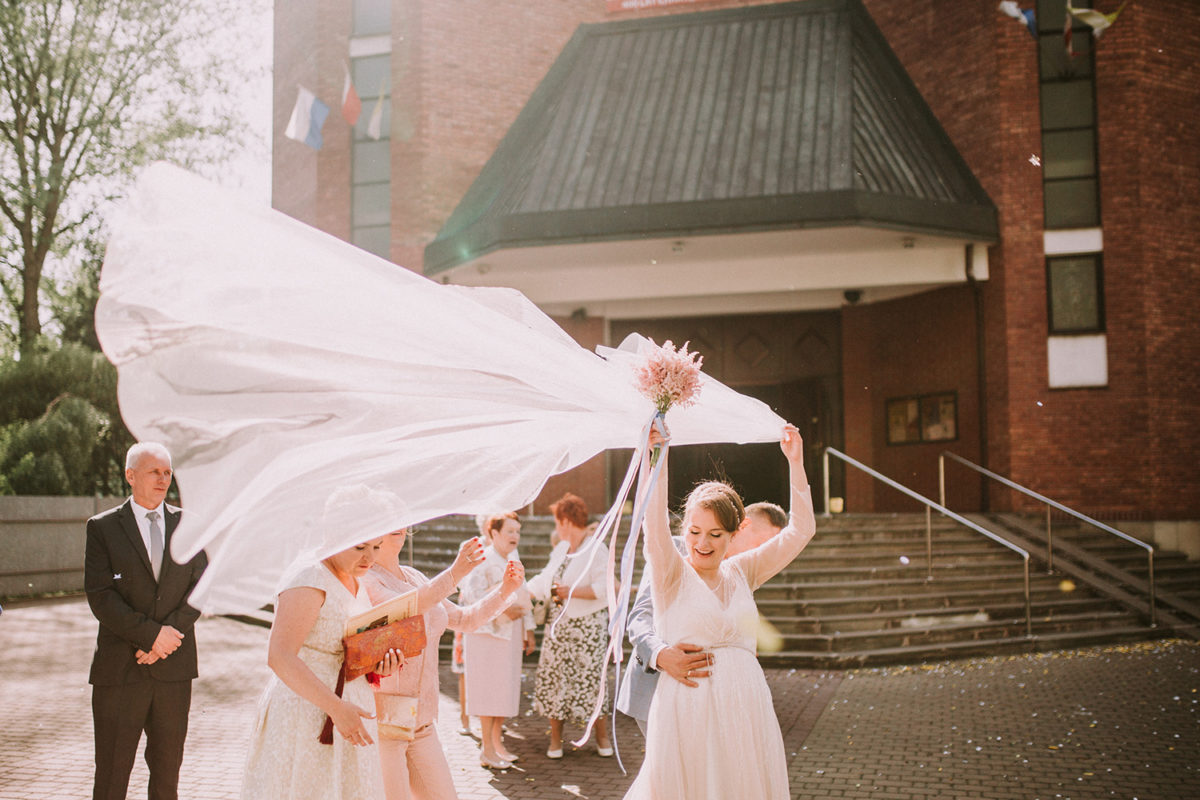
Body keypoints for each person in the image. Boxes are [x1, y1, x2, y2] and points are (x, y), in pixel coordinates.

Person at [622, 422, 815, 800]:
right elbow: (653, 521)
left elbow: (801, 531)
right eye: (694, 532)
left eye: (715, 534)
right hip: (690, 710)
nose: (702, 543)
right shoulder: (670, 572)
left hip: (747, 711)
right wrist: (657, 456)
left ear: (733, 534)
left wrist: (796, 462)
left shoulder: (743, 570)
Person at [84, 442, 208, 800]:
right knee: (111, 778)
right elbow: (101, 595)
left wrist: (168, 638)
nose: (163, 479)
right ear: (130, 475)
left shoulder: (189, 525)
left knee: (167, 778)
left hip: (174, 671)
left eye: (167, 472)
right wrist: (152, 637)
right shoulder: (103, 528)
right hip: (120, 671)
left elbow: (201, 587)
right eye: (154, 471)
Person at [367, 526, 527, 799]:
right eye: (388, 522)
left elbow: (466, 619)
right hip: (385, 721)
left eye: (401, 521)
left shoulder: (415, 576)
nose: (399, 527)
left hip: (423, 721)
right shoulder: (367, 580)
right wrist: (456, 572)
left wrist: (505, 590)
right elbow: (409, 608)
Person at [239, 536, 401, 800]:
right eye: (360, 547)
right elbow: (279, 656)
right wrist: (336, 708)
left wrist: (377, 663)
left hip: (349, 713)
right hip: (307, 713)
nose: (370, 557)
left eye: (377, 546)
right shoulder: (310, 577)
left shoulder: (355, 578)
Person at [617, 500, 786, 732]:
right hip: (659, 687)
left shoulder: (741, 569)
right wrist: (661, 654)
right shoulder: (674, 550)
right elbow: (640, 616)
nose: (764, 551)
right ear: (743, 526)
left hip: (713, 698)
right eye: (762, 542)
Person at [528, 493, 614, 759]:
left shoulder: (596, 548)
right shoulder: (561, 549)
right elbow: (545, 579)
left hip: (588, 628)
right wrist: (521, 590)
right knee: (556, 680)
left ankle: (601, 737)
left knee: (590, 681)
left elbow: (604, 588)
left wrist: (571, 591)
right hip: (559, 627)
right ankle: (555, 740)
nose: (557, 527)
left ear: (565, 521)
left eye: (557, 521)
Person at [459, 512, 536, 768]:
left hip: (509, 633)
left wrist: (528, 629)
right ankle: (487, 749)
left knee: (503, 689)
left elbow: (524, 595)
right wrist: (503, 607)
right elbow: (471, 595)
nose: (515, 536)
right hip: (487, 635)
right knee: (488, 689)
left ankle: (496, 743)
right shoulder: (483, 559)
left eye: (518, 531)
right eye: (510, 531)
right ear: (494, 533)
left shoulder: (512, 559)